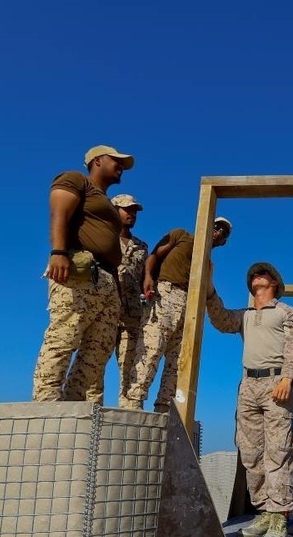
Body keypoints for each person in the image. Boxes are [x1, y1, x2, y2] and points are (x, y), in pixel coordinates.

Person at [206, 263, 293, 537]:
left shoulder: (287, 312)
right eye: (252, 275)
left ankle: (279, 517)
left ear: (274, 282)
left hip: (277, 383)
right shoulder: (245, 316)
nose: (256, 276)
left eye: (263, 274)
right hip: (248, 385)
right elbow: (221, 320)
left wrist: (289, 377)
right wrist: (210, 288)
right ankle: (264, 512)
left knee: (278, 451)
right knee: (250, 453)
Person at [32, 145, 134, 402]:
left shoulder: (108, 203)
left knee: (97, 352)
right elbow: (59, 212)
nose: (121, 165)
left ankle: (71, 407)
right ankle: (45, 406)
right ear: (97, 161)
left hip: (107, 280)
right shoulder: (78, 180)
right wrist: (58, 252)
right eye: (116, 160)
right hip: (80, 271)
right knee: (64, 338)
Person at [120, 217, 232, 412]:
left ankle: (165, 409)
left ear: (223, 242)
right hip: (166, 294)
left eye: (224, 233)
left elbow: (208, 292)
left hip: (191, 306)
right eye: (216, 227)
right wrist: (148, 277)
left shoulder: (208, 263)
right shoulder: (182, 235)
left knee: (179, 361)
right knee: (150, 350)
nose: (219, 233)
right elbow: (154, 255)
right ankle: (132, 404)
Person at [75, 194, 149, 403]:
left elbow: (144, 277)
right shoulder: (101, 238)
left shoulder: (141, 246)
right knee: (95, 362)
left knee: (130, 367)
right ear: (114, 210)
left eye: (135, 210)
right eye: (128, 209)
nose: (132, 214)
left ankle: (130, 413)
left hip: (131, 316)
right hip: (102, 309)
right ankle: (92, 411)